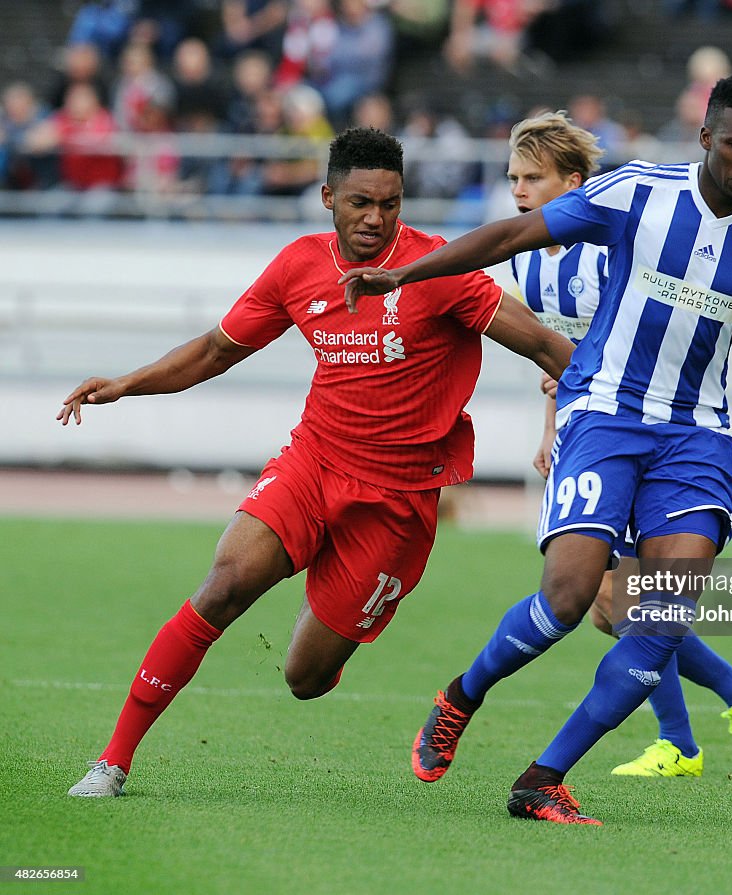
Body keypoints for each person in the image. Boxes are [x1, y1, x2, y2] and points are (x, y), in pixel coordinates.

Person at [342, 77, 732, 825]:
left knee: (656, 616)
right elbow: (509, 236)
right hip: (604, 412)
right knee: (571, 598)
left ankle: (543, 777)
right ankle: (461, 696)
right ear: (705, 137)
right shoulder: (638, 193)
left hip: (698, 436)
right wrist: (406, 273)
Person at [60, 126, 575, 798]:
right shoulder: (298, 266)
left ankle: (333, 616)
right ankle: (113, 760)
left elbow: (543, 343)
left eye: (389, 204)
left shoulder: (440, 270)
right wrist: (129, 381)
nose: (375, 218)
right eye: (360, 202)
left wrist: (614, 410)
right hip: (315, 463)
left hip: (396, 503)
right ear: (328, 196)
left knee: (304, 678)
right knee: (223, 584)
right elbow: (217, 349)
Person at [506, 109, 732, 780]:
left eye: (533, 178)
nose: (518, 191)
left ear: (571, 182)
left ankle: (703, 722)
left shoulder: (609, 246)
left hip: (647, 434)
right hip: (591, 431)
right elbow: (559, 363)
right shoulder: (528, 262)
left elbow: (634, 342)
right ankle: (716, 712)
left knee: (626, 601)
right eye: (513, 177)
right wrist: (553, 433)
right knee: (619, 605)